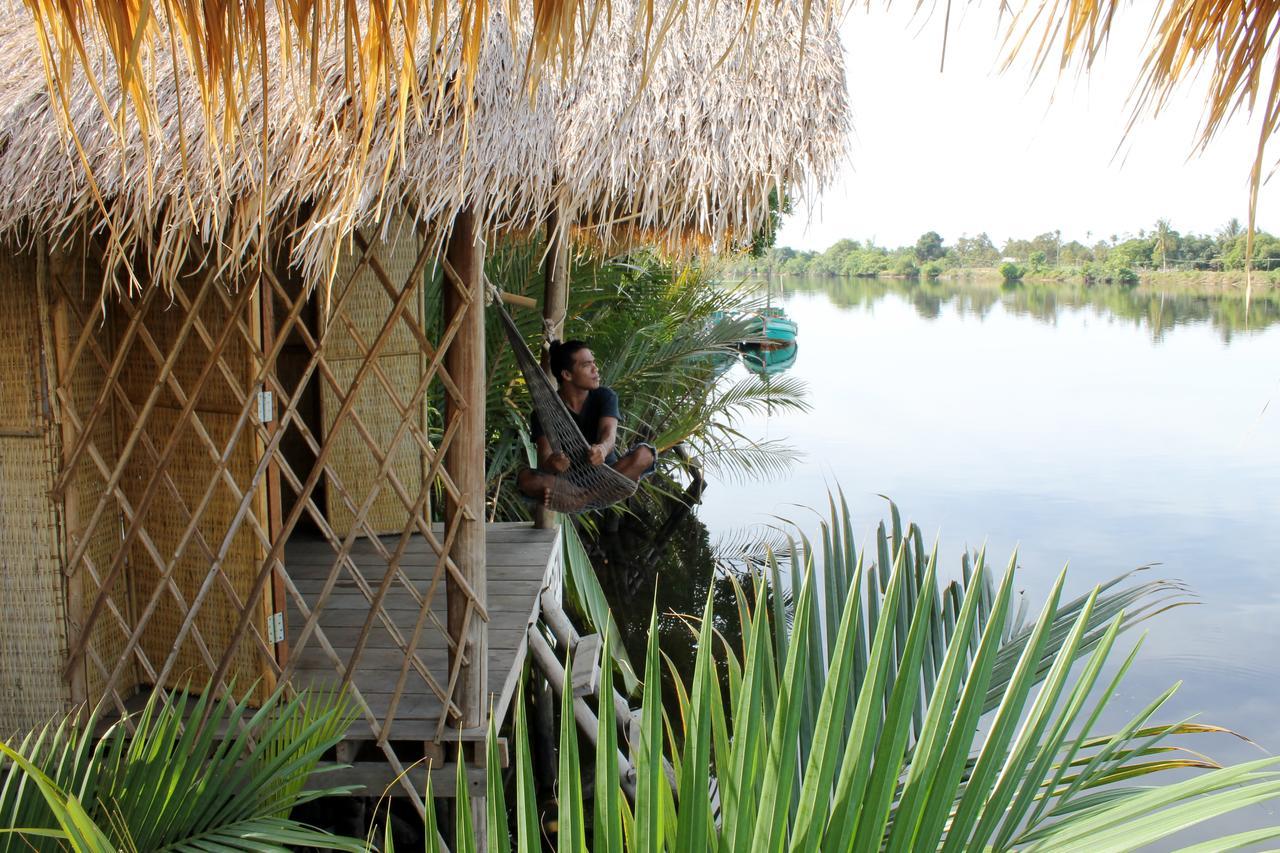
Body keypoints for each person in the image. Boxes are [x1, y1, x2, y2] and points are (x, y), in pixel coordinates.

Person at [517, 340, 656, 508]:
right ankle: (579, 497)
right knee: (525, 479)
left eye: (593, 362)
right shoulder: (544, 413)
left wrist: (603, 449)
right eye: (586, 365)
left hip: (609, 476)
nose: (595, 369)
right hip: (570, 484)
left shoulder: (604, 396)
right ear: (567, 375)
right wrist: (553, 463)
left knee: (645, 454)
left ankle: (581, 500)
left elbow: (608, 433)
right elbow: (545, 462)